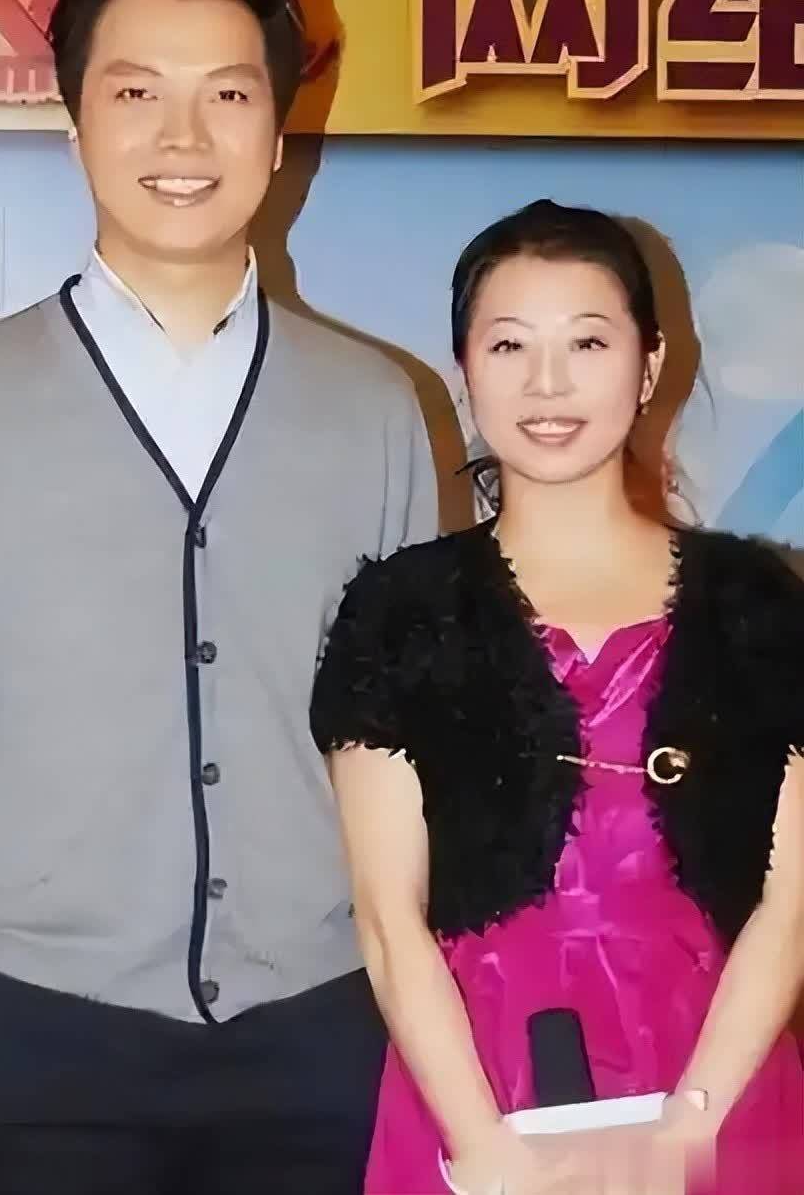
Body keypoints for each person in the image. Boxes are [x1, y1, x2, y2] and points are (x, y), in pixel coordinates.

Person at [0, 0, 437, 1192]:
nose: (182, 137)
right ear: (74, 127)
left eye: (227, 93)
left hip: (317, 1042)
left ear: (279, 129)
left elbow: (422, 729)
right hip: (25, 1046)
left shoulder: (375, 408)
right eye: (137, 91)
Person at [311, 199, 804, 1194]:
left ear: (649, 366)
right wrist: (487, 1151)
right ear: (465, 368)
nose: (548, 383)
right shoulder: (400, 611)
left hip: (723, 1085)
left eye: (587, 342)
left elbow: (789, 906)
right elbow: (389, 923)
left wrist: (687, 1133)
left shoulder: (756, 604)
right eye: (508, 345)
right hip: (475, 1090)